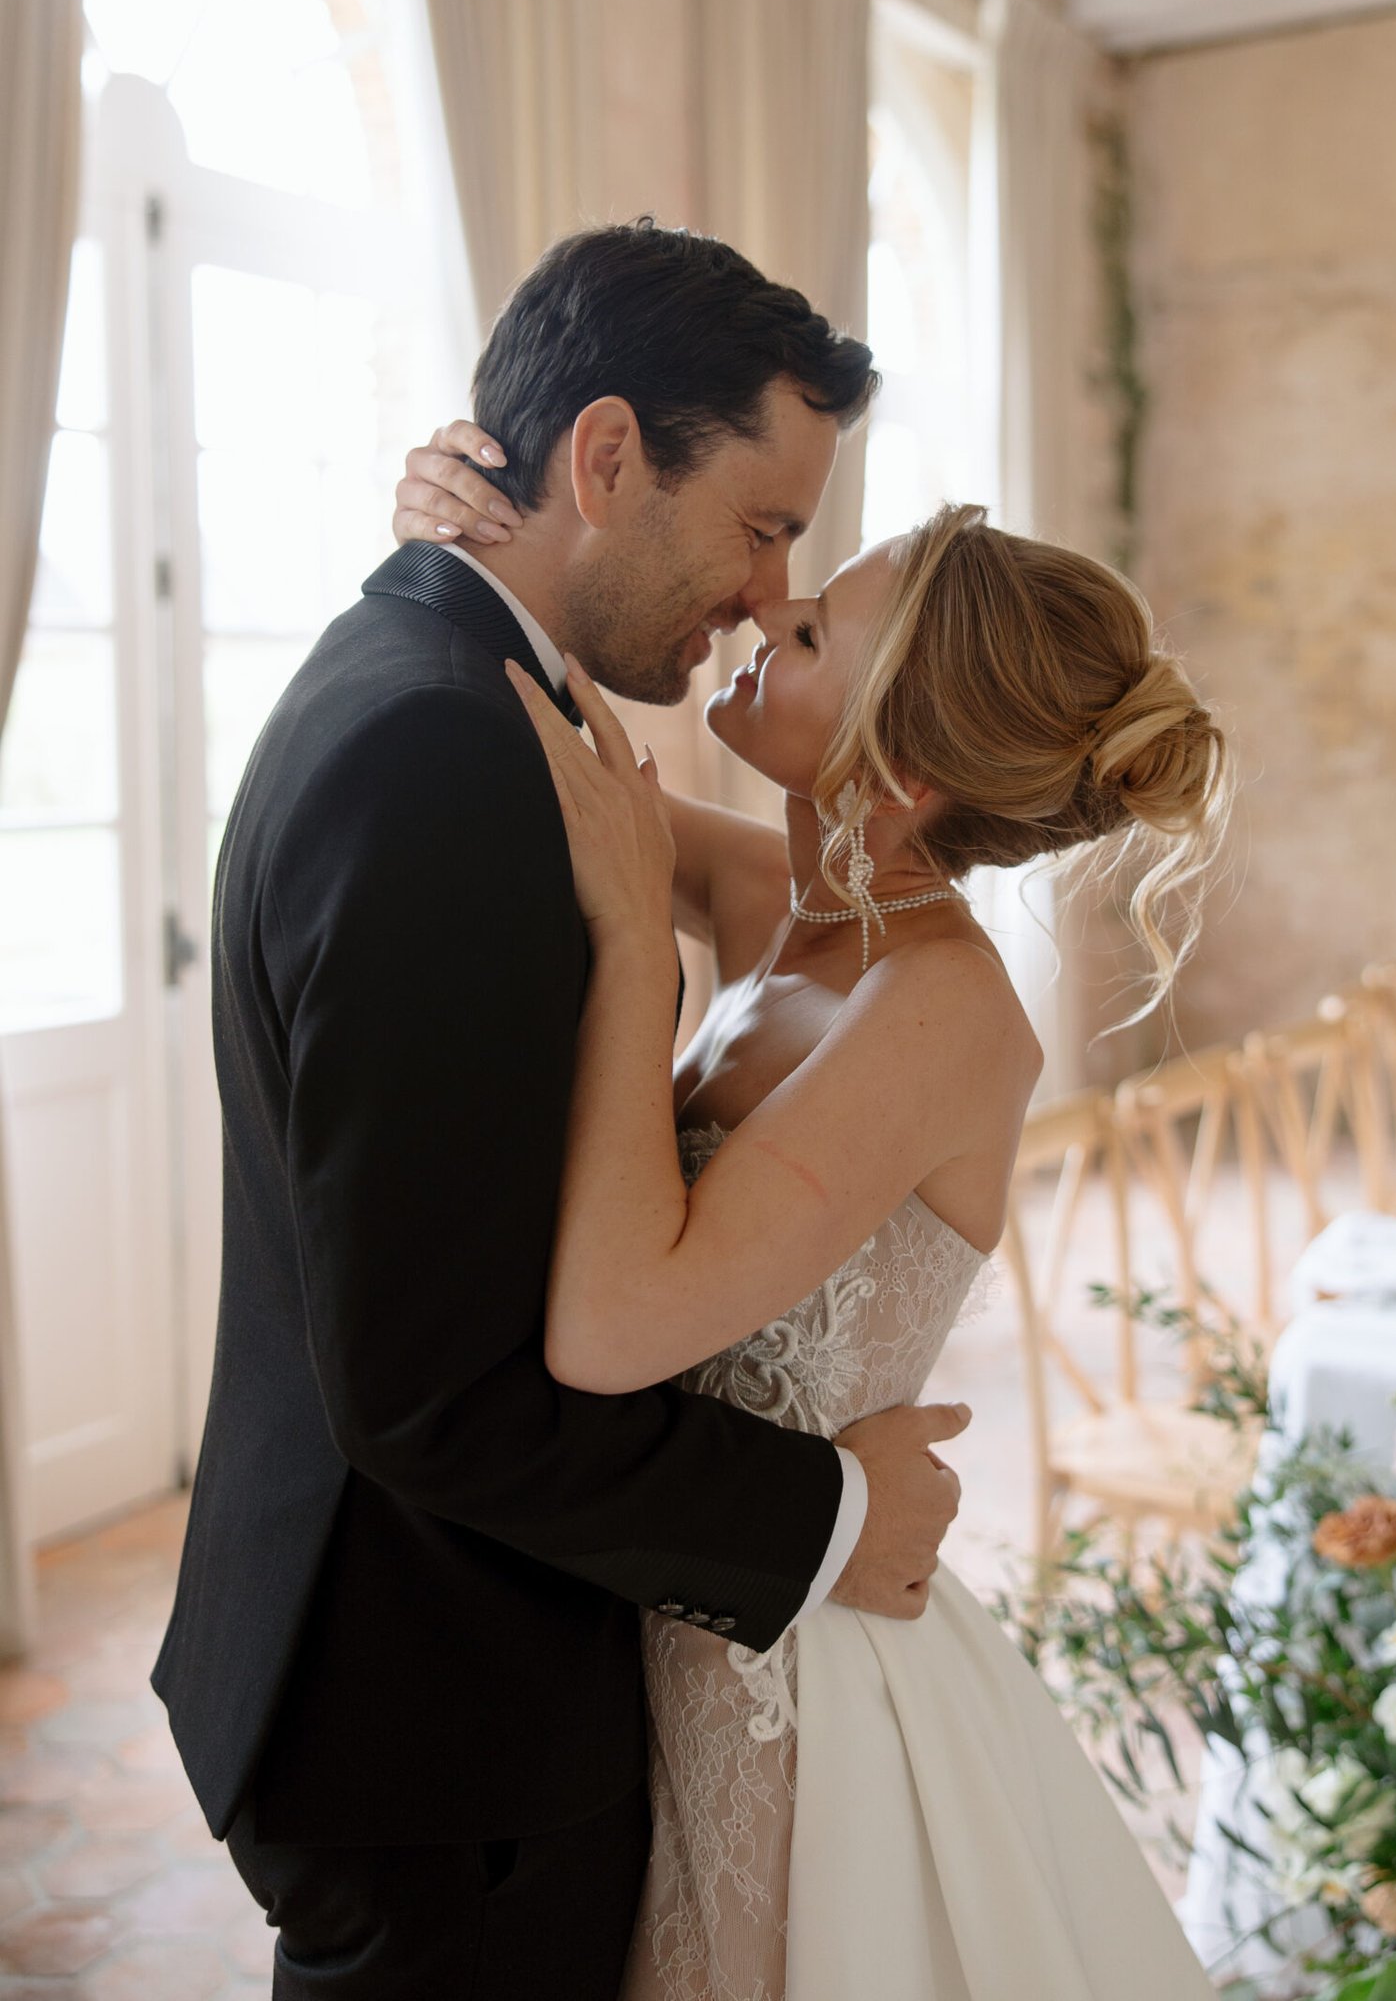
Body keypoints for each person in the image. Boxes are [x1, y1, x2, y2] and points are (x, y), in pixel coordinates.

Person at [153, 222, 973, 2001]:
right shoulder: (441, 750)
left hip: (435, 1673)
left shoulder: (458, 689)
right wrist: (824, 1519)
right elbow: (432, 1389)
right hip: (438, 1706)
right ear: (606, 457)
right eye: (762, 528)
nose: (768, 594)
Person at [397, 411, 1231, 1998]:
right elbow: (551, 757)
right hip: (668, 1595)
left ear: (900, 771)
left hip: (784, 1681)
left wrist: (642, 956)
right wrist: (457, 538)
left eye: (807, 625)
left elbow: (613, 1322)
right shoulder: (785, 894)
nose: (756, 612)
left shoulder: (939, 1015)